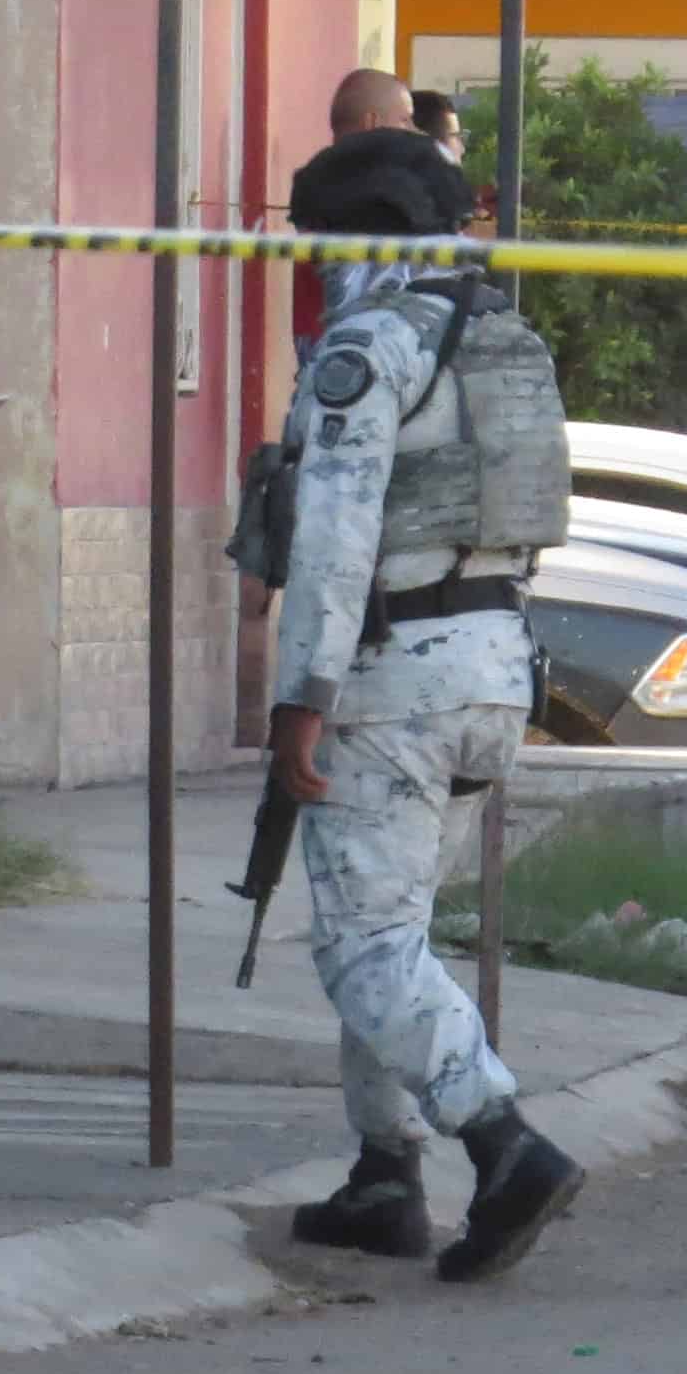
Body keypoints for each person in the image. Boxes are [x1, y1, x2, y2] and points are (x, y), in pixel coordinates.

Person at [269, 123, 581, 1279]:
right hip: (493, 665)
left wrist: (301, 695)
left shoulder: (370, 344)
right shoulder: (505, 338)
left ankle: (502, 1143)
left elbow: (334, 531)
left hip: (392, 668)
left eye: (316, 243)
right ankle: (382, 1175)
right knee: (390, 928)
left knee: (362, 942)